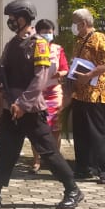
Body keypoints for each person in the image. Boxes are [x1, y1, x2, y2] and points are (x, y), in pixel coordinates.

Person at [0, 0, 81, 209]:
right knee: (5, 152)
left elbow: (40, 78)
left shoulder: (39, 44)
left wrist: (23, 103)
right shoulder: (12, 44)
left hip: (31, 109)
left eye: (13, 18)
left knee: (48, 151)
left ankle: (72, 189)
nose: (10, 21)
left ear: (23, 18)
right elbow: (1, 66)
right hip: (12, 108)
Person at [69, 7, 105, 184]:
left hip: (95, 94)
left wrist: (88, 75)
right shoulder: (78, 41)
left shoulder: (99, 38)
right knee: (80, 133)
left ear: (83, 23)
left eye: (75, 24)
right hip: (79, 93)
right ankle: (84, 168)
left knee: (97, 133)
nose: (74, 27)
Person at [28, 20, 69, 174]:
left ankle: (54, 161)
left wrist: (60, 73)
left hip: (54, 92)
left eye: (49, 31)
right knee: (36, 127)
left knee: (56, 128)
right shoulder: (32, 48)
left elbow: (65, 68)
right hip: (37, 92)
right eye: (44, 31)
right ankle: (36, 161)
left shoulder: (58, 49)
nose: (47, 34)